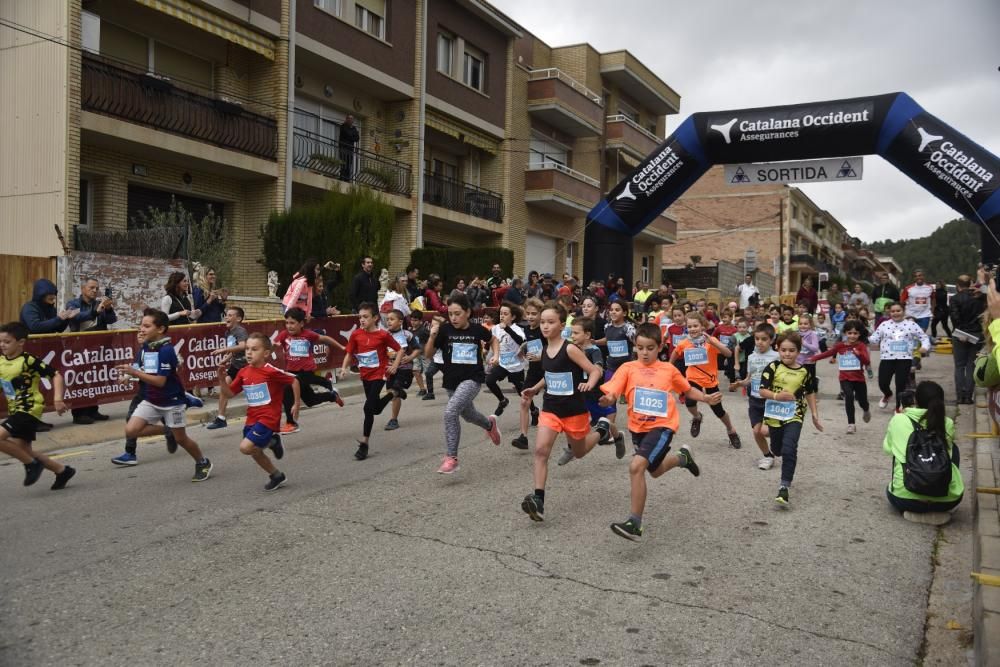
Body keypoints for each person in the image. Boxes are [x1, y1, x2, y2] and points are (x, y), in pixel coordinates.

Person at [599, 322, 719, 540]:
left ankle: (634, 523)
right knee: (653, 471)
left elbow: (687, 389)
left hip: (662, 427)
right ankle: (682, 458)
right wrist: (609, 398)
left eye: (650, 348)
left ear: (660, 347)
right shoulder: (628, 368)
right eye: (640, 347)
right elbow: (613, 390)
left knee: (636, 467)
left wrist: (706, 397)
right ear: (635, 346)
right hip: (638, 427)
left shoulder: (668, 370)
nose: (645, 352)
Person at [519, 302, 612, 522]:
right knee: (541, 451)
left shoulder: (570, 348)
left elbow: (594, 370)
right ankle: (538, 499)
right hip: (551, 409)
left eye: (550, 322)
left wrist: (590, 383)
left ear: (562, 325)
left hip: (574, 411)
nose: (545, 326)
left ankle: (602, 429)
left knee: (579, 452)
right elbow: (549, 374)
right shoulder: (544, 350)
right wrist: (535, 388)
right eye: (542, 322)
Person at [113, 309, 213, 482]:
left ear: (160, 329)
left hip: (171, 402)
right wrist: (128, 376)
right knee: (131, 430)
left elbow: (160, 381)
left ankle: (202, 462)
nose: (141, 329)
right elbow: (143, 368)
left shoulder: (166, 351)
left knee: (181, 439)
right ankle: (168, 431)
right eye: (141, 325)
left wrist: (133, 373)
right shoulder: (147, 346)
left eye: (146, 326)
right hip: (151, 399)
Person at [423, 293, 500, 474]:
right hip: (451, 381)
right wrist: (432, 336)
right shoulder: (444, 330)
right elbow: (427, 355)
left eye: (457, 313)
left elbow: (493, 340)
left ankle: (452, 458)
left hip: (472, 378)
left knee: (450, 412)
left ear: (467, 312)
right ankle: (489, 425)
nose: (453, 318)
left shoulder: (477, 330)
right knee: (468, 414)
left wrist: (496, 355)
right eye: (450, 314)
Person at [217, 332, 299, 491]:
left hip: (269, 418)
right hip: (252, 418)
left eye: (254, 349)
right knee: (254, 451)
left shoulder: (270, 371)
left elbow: (294, 380)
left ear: (266, 353)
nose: (249, 352)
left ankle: (272, 441)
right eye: (247, 349)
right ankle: (276, 474)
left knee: (245, 447)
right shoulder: (243, 372)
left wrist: (296, 404)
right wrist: (221, 379)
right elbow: (229, 394)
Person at [0, 321, 75, 490]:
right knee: (25, 451)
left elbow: (55, 375)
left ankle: (32, 465)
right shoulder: (1, 362)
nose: (2, 345)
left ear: (20, 342)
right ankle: (62, 470)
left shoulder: (29, 361)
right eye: (0, 342)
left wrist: (57, 399)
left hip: (29, 409)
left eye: (7, 342)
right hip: (14, 410)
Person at [883, 380, 963, 524]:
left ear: (916, 400)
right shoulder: (947, 423)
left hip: (905, 499)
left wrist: (901, 414)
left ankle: (914, 509)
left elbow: (888, 448)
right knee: (952, 449)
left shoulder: (900, 419)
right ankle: (938, 505)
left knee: (898, 454)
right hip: (947, 501)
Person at [758, 331, 822, 506]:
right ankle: (775, 447)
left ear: (798, 352)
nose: (787, 353)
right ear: (778, 349)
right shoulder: (773, 367)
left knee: (789, 448)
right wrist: (778, 396)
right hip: (774, 414)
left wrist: (815, 414)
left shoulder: (804, 372)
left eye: (792, 350)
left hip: (795, 414)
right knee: (777, 449)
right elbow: (762, 391)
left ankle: (784, 486)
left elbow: (810, 392)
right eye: (784, 350)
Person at [556, 315, 626, 463]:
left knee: (605, 422)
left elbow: (599, 368)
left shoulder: (594, 351)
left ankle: (618, 437)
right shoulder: (572, 350)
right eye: (571, 333)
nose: (572, 336)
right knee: (569, 417)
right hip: (578, 394)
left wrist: (593, 377)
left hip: (594, 395)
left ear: (587, 335)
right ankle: (571, 448)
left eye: (576, 333)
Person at [340, 302, 403, 461]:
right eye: (360, 317)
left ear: (375, 318)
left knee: (368, 407)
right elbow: (349, 352)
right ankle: (394, 393)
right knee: (375, 409)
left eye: (365, 317)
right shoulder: (356, 335)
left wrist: (394, 365)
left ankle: (364, 444)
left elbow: (400, 349)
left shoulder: (383, 335)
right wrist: (344, 368)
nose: (362, 320)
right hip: (365, 375)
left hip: (380, 374)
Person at [670, 311, 741, 448]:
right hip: (692, 377)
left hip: (710, 379)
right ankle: (697, 417)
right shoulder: (685, 343)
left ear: (702, 326)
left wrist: (714, 344)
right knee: (690, 401)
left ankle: (731, 430)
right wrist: (668, 366)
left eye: (695, 326)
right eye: (689, 327)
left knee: (718, 410)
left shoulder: (711, 340)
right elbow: (675, 352)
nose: (692, 329)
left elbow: (728, 353)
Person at [276, 307, 345, 434]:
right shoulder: (284, 335)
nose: (289, 326)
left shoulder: (308, 335)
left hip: (305, 371)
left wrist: (341, 346)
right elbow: (274, 344)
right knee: (310, 400)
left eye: (292, 323)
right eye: (287, 323)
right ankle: (332, 396)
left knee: (287, 389)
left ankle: (291, 423)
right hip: (291, 370)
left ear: (301, 323)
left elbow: (325, 339)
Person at [65, 278, 117, 424]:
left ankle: (93, 410)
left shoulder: (98, 303)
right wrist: (95, 311)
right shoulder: (73, 304)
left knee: (96, 379)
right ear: (83, 289)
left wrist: (108, 308)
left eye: (97, 288)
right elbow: (75, 316)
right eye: (91, 288)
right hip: (80, 349)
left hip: (99, 349)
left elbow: (112, 319)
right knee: (80, 380)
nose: (95, 291)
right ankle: (79, 413)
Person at [808, 320, 873, 434]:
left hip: (859, 378)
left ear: (859, 334)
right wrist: (814, 358)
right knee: (848, 396)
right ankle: (851, 424)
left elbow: (867, 361)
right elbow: (828, 353)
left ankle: (866, 409)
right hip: (844, 378)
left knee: (862, 400)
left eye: (855, 333)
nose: (852, 336)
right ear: (845, 333)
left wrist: (859, 355)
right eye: (850, 333)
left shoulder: (861, 346)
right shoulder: (840, 346)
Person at [732, 322, 779, 469]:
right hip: (754, 399)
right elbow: (749, 378)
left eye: (764, 339)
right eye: (757, 339)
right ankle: (768, 456)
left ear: (771, 340)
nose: (760, 342)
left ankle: (782, 434)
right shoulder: (751, 357)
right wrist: (740, 384)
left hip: (770, 400)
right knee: (756, 431)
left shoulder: (777, 356)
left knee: (765, 431)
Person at [870, 302, 931, 411]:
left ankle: (898, 407)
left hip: (904, 359)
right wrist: (865, 335)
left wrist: (925, 347)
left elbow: (924, 337)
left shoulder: (911, 325)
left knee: (900, 385)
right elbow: (874, 338)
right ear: (889, 312)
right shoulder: (884, 324)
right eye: (893, 311)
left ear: (903, 311)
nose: (895, 313)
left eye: (898, 311)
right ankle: (887, 394)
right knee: (882, 383)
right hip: (887, 358)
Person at [205, 306, 250, 430]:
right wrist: (225, 359)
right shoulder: (228, 333)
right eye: (226, 315)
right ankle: (221, 418)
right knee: (224, 390)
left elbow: (242, 346)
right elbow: (234, 350)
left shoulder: (240, 331)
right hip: (235, 366)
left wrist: (223, 350)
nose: (226, 317)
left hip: (247, 367)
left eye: (230, 315)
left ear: (239, 318)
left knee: (253, 393)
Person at [511, 298, 544, 450]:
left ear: (541, 314)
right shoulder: (527, 329)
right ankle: (523, 437)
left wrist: (541, 356)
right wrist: (522, 348)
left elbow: (556, 349)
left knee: (558, 405)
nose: (530, 317)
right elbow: (531, 341)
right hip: (534, 370)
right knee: (524, 400)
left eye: (534, 314)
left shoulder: (545, 329)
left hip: (550, 369)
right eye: (528, 313)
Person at [484, 302, 526, 418]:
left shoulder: (517, 329)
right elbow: (491, 339)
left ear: (512, 317)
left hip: (516, 364)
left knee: (521, 392)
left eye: (505, 314)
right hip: (503, 363)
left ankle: (533, 410)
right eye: (501, 313)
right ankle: (503, 400)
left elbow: (521, 342)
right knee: (489, 380)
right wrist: (486, 349)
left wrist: (507, 329)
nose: (502, 316)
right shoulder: (496, 328)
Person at [383, 309, 421, 431]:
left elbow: (417, 349)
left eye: (392, 319)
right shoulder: (384, 334)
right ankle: (400, 393)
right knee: (392, 392)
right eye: (387, 319)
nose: (389, 321)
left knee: (394, 391)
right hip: (389, 369)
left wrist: (410, 357)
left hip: (404, 368)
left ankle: (393, 420)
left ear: (400, 322)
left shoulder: (407, 335)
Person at [949, 274, 985, 404]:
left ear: (957, 285)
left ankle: (960, 396)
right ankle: (969, 396)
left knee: (959, 366)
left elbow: (954, 317)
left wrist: (961, 332)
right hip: (976, 333)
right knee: (971, 365)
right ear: (971, 283)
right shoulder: (980, 298)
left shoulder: (954, 299)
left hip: (960, 334)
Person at [339, 114, 360, 182]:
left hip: (350, 149)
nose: (351, 120)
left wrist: (352, 136)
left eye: (352, 119)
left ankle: (347, 179)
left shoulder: (354, 128)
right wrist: (352, 136)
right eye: (349, 119)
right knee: (343, 163)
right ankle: (342, 178)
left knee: (349, 164)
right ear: (346, 119)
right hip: (343, 148)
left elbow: (357, 138)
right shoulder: (343, 126)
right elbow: (347, 134)